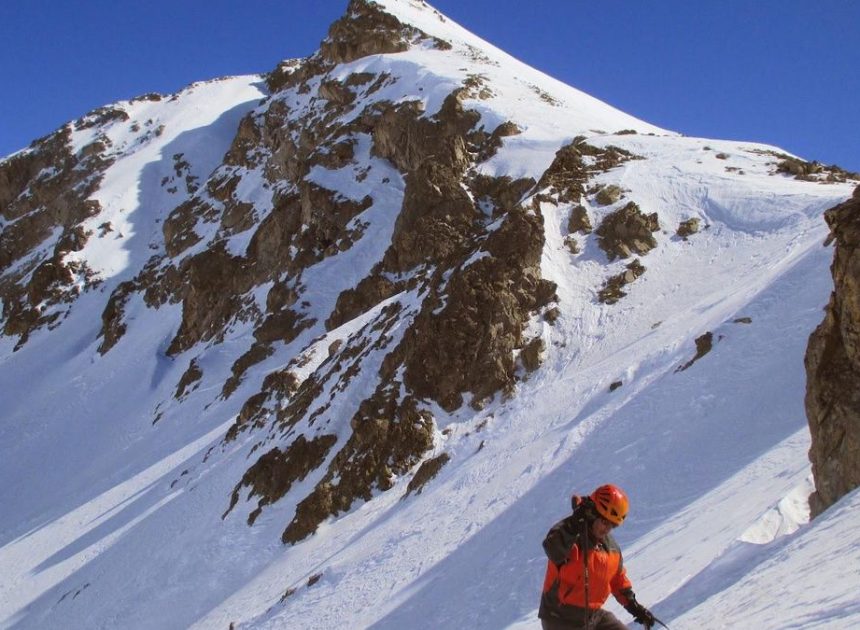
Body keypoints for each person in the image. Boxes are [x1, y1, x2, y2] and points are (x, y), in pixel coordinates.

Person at [539, 484, 657, 630]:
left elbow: (617, 580)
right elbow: (553, 549)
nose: (607, 529)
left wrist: (634, 607)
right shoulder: (571, 533)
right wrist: (573, 524)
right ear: (592, 513)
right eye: (604, 522)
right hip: (560, 618)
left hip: (592, 616)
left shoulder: (611, 548)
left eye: (612, 525)